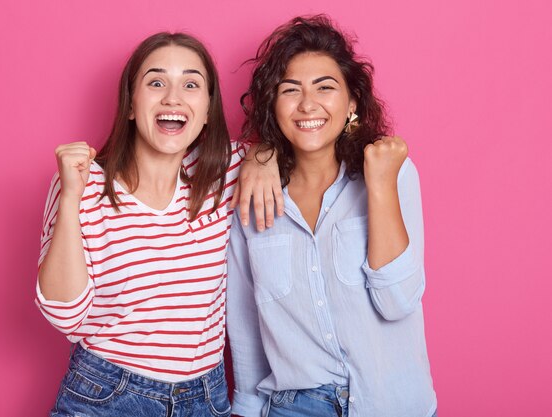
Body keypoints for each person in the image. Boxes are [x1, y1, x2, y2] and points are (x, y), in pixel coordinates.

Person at [36, 32, 281, 416]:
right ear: (131, 105)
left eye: (190, 84)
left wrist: (264, 155)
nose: (173, 97)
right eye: (155, 82)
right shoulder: (84, 182)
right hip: (107, 394)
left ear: (206, 108)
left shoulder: (226, 172)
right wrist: (70, 199)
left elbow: (294, 140)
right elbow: (65, 316)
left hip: (204, 396)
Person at [227, 15, 437, 417]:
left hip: (393, 404)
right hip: (293, 406)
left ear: (352, 102)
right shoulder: (251, 191)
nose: (308, 104)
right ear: (273, 104)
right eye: (290, 90)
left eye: (325, 87)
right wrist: (248, 408)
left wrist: (378, 186)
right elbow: (245, 315)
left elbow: (397, 301)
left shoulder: (394, 172)